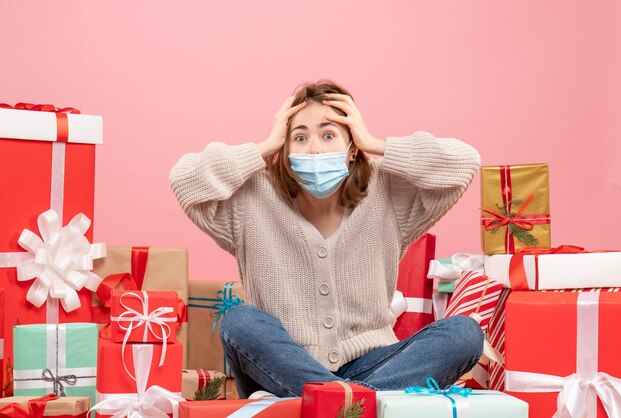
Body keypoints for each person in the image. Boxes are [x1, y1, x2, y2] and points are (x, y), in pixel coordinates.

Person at [169, 80, 483, 399]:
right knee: (240, 321)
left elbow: (463, 162)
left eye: (329, 134)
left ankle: (333, 404)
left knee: (463, 333)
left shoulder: (387, 192)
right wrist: (265, 146)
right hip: (281, 366)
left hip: (372, 364)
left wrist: (373, 142)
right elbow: (184, 179)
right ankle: (357, 403)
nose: (315, 148)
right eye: (300, 137)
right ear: (286, 152)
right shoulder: (251, 199)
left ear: (351, 150)